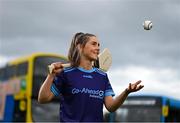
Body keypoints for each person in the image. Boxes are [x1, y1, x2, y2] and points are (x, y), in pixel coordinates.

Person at [38, 32, 144, 122]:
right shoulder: (66, 74)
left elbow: (111, 107)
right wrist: (51, 75)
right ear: (80, 47)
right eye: (94, 44)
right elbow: (42, 99)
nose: (98, 48)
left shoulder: (102, 76)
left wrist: (126, 92)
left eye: (98, 45)